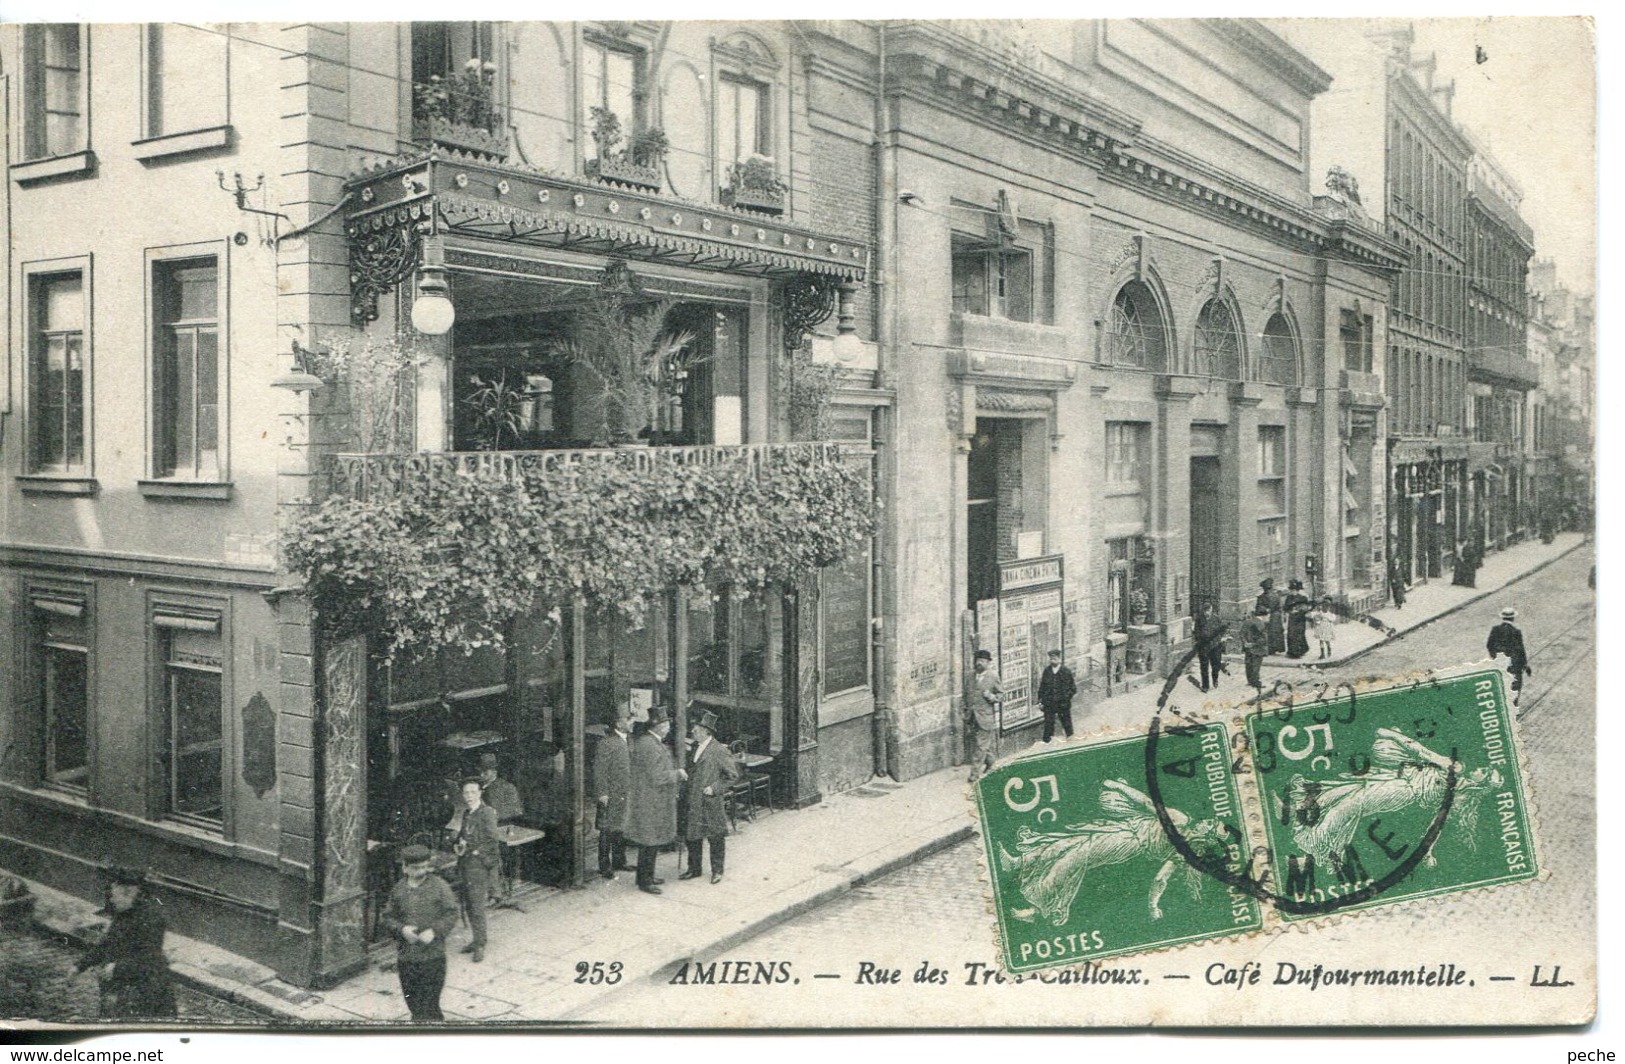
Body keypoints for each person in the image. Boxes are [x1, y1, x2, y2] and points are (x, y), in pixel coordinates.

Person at [74, 867, 176, 1020]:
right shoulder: (123, 914)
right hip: (120, 990)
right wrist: (79, 965)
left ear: (129, 894)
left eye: (114, 896)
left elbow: (149, 957)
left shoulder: (152, 920)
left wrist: (118, 967)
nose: (111, 900)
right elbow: (106, 944)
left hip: (144, 993)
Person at [380, 843, 459, 1023]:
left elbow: (452, 913)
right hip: (407, 958)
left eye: (425, 867)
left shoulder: (440, 886)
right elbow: (388, 917)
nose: (422, 872)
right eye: (416, 868)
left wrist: (435, 931)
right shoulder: (399, 889)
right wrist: (402, 930)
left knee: (430, 1004)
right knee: (414, 1004)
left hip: (433, 957)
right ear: (405, 867)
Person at [628, 705, 686, 895]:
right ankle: (645, 881)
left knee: (651, 841)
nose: (669, 726)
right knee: (649, 841)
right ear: (659, 726)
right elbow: (657, 776)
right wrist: (677, 774)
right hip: (650, 800)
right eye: (666, 723)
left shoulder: (652, 742)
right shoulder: (649, 745)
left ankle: (647, 876)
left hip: (654, 799)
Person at [682, 710, 740, 884]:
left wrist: (714, 788)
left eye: (696, 729)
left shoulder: (718, 750)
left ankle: (717, 870)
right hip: (693, 799)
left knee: (715, 837)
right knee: (693, 835)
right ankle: (694, 869)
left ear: (706, 731)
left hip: (709, 800)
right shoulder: (694, 748)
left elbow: (732, 775)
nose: (693, 732)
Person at [446, 777, 500, 962]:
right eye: (466, 793)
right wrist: (459, 844)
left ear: (480, 793)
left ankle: (480, 945)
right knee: (468, 903)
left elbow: (492, 840)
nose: (468, 796)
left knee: (476, 905)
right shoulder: (468, 813)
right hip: (466, 864)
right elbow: (465, 835)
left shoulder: (487, 813)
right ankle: (477, 939)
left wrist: (476, 851)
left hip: (478, 866)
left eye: (472, 792)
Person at [594, 709, 634, 881]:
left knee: (621, 828)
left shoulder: (628, 741)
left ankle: (619, 861)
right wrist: (602, 792)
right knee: (606, 831)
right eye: (628, 719)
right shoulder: (607, 742)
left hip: (625, 793)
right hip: (611, 794)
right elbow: (599, 770)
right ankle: (604, 866)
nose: (632, 722)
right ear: (618, 723)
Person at [968, 649, 1004, 782]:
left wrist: (991, 696)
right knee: (981, 745)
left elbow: (1001, 695)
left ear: (988, 663)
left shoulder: (993, 676)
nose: (979, 664)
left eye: (982, 661)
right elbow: (966, 695)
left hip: (985, 717)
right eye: (978, 661)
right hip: (972, 717)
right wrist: (964, 710)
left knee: (980, 746)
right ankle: (991, 761)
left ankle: (974, 774)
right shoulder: (971, 676)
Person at [1487, 607, 1533, 706]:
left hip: (1499, 663)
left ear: (1502, 617)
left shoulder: (1495, 630)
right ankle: (1513, 707)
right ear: (1513, 618)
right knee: (1515, 686)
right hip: (1514, 665)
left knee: (1500, 684)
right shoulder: (1516, 632)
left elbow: (1489, 645)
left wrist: (1494, 657)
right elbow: (1520, 650)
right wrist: (1525, 666)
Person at [1036, 649, 1077, 743]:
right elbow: (1042, 687)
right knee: (1048, 723)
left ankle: (1071, 740)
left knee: (1066, 722)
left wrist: (1066, 697)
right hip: (1049, 703)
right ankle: (1047, 742)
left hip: (1063, 703)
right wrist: (1040, 701)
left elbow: (1073, 688)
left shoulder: (1066, 671)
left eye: (1054, 658)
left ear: (1059, 659)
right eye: (1051, 659)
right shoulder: (1047, 671)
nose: (1052, 661)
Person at [477, 752, 524, 824]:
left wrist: (494, 813)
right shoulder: (475, 786)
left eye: (485, 772)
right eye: (480, 770)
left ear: (494, 772)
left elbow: (517, 810)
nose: (481, 774)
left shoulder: (507, 788)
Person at [1193, 600, 1226, 692]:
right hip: (1203, 647)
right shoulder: (1199, 619)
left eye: (1208, 610)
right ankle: (1205, 686)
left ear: (1211, 610)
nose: (1207, 613)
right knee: (1204, 667)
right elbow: (1196, 632)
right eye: (1205, 611)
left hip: (1215, 646)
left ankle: (1215, 679)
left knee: (1215, 666)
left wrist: (1218, 639)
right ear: (1203, 611)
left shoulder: (1217, 618)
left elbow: (1221, 630)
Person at [1240, 603, 1270, 691]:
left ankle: (1250, 681)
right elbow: (1263, 639)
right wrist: (1254, 644)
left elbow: (1241, 633)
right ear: (1264, 615)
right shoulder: (1261, 624)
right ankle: (1256, 683)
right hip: (1257, 649)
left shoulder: (1248, 621)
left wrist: (1245, 643)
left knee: (1248, 664)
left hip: (1248, 648)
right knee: (1256, 666)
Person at [1256, 578, 1285, 655]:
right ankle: (1276, 648)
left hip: (1270, 617)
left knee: (1270, 632)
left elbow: (1259, 607)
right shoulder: (1276, 595)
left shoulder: (1264, 597)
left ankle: (1271, 649)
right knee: (1275, 632)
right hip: (1275, 616)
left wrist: (1265, 609)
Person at [1284, 579, 1311, 659]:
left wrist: (1299, 611)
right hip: (1292, 618)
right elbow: (1285, 607)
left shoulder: (1303, 598)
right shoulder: (1289, 597)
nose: (1292, 592)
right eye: (1291, 590)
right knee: (1291, 634)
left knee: (1299, 634)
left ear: (1297, 590)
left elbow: (1307, 608)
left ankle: (1299, 652)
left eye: (1294, 590)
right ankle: (1292, 651)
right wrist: (1289, 611)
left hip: (1300, 619)